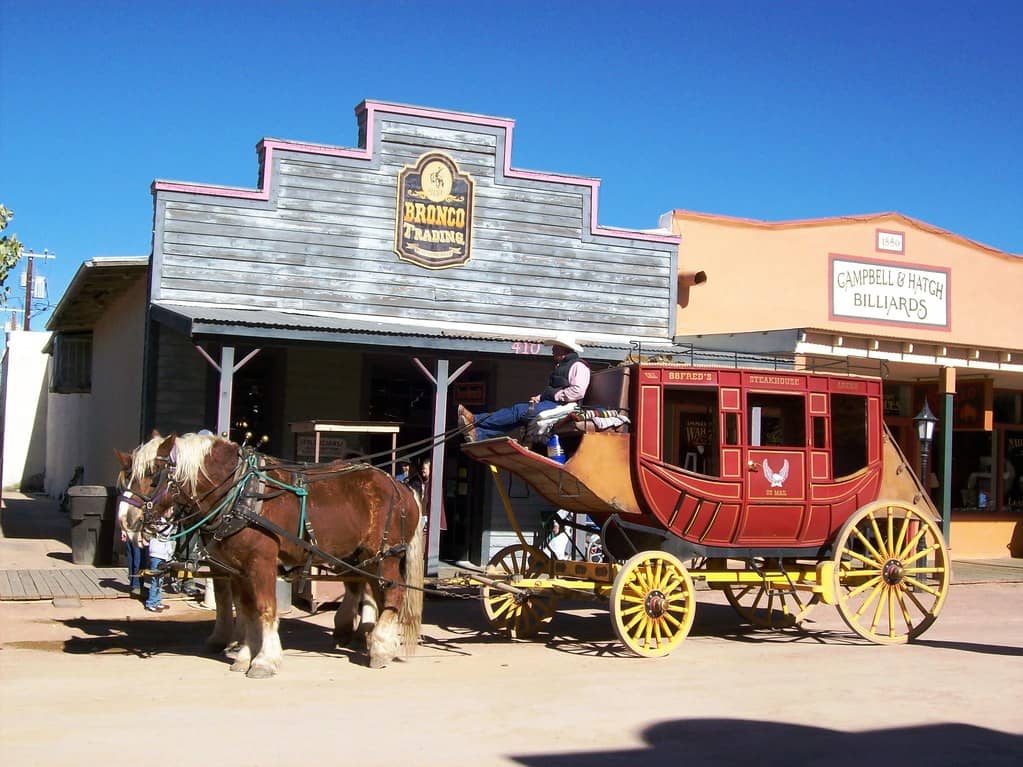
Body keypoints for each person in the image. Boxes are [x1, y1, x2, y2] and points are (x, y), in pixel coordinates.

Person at [458, 333, 590, 442]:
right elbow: (553, 389)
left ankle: (475, 419)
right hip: (552, 402)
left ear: (564, 349)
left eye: (555, 347)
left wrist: (555, 396)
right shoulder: (561, 366)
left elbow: (578, 391)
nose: (552, 350)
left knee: (518, 411)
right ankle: (479, 434)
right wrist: (539, 398)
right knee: (518, 418)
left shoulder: (579, 366)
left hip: (563, 406)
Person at [144, 521, 176, 613]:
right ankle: (150, 603)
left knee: (160, 580)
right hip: (157, 554)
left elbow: (167, 538)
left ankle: (157, 601)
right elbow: (164, 532)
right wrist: (172, 524)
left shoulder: (165, 521)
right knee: (156, 579)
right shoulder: (158, 520)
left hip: (162, 555)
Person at [117, 498, 144, 598]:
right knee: (137, 559)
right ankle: (136, 585)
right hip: (136, 532)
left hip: (130, 530)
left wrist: (123, 530)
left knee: (132, 558)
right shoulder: (138, 501)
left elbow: (121, 515)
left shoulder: (126, 499)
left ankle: (133, 583)